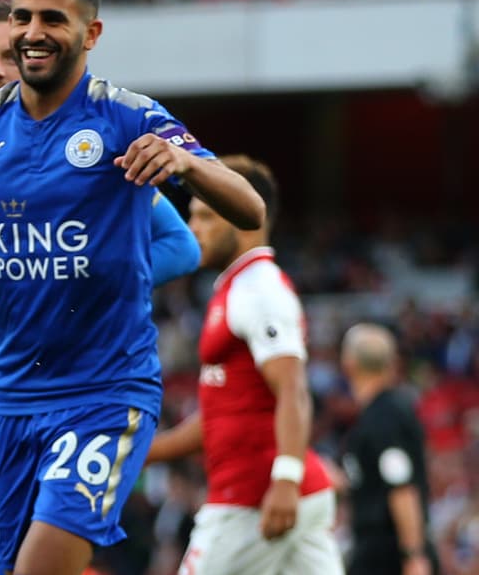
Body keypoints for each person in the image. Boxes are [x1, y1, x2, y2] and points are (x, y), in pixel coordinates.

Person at [0, 0, 265, 575]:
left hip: (104, 393)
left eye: (53, 18)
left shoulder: (128, 116)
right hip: (11, 398)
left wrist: (186, 163)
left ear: (91, 32)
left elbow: (248, 208)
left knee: (41, 566)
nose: (31, 32)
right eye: (23, 17)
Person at [145, 155, 343, 574]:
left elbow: (292, 387)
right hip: (281, 494)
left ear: (241, 213)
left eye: (205, 216)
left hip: (253, 499)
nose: (192, 228)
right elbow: (219, 417)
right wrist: (141, 453)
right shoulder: (235, 288)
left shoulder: (260, 289)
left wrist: (285, 480)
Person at [340, 323, 438, 575]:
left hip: (389, 553)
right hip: (380, 549)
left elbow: (402, 487)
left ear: (348, 363)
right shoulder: (379, 413)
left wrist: (413, 556)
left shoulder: (385, 416)